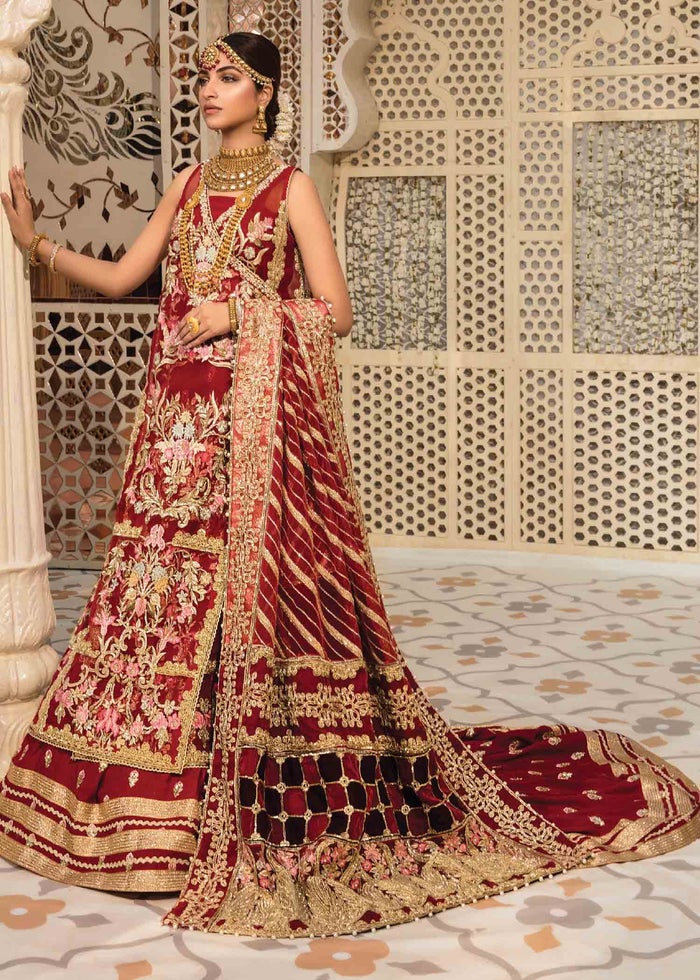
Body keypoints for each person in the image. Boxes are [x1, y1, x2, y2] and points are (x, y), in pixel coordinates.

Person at [0, 31, 698, 941]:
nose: (209, 91)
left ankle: (227, 797)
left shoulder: (289, 187)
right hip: (171, 432)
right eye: (205, 78)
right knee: (152, 607)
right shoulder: (188, 183)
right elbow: (129, 276)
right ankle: (136, 809)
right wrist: (37, 242)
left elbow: (335, 312)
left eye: (228, 78)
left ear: (265, 93)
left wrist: (237, 311)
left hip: (248, 440)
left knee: (235, 605)